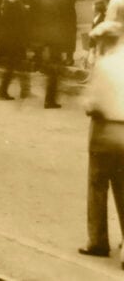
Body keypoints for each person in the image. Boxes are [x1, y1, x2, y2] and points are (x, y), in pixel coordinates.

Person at [80, 34, 124, 262]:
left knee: (97, 185)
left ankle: (97, 241)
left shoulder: (105, 65)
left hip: (105, 131)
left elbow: (91, 102)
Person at [0, 0, 32, 100]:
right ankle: (6, 91)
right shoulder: (15, 5)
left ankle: (23, 90)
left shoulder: (8, 3)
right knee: (14, 65)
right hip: (14, 39)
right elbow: (21, 23)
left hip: (9, 38)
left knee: (15, 65)